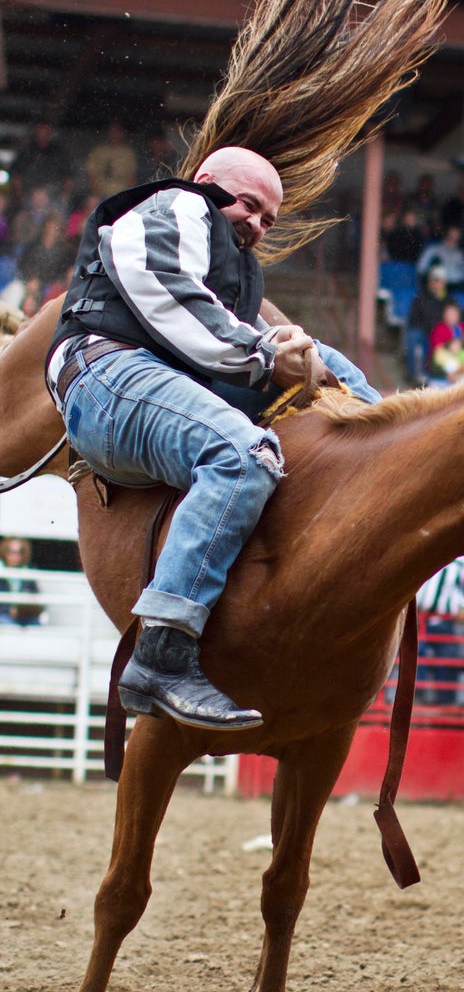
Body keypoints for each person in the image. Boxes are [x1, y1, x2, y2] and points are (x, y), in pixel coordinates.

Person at [45, 146, 380, 731]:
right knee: (243, 454)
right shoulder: (174, 205)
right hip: (105, 374)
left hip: (168, 376)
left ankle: (395, 452)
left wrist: (290, 354)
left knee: (324, 359)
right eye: (250, 205)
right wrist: (265, 355)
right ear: (207, 182)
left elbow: (221, 330)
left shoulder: (229, 262)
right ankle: (162, 655)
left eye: (269, 219)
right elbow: (165, 289)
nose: (257, 224)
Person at [0, 537, 45, 626]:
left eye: (19, 552)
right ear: (5, 552)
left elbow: (37, 600)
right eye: (11, 552)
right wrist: (9, 609)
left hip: (25, 617)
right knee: (6, 623)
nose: (15, 556)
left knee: (36, 625)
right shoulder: (1, 572)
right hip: (4, 616)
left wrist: (21, 610)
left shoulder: (29, 573)